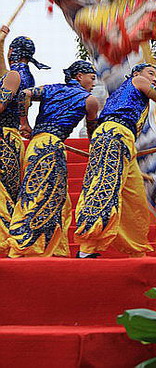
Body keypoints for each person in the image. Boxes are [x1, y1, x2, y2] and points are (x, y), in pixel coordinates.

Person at [74, 62, 156, 258]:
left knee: (136, 198)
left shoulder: (125, 93)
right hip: (115, 135)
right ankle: (87, 248)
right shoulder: (137, 81)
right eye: (151, 73)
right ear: (137, 73)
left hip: (124, 142)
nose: (154, 79)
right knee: (104, 189)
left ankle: (136, 249)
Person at [7, 60, 98, 257]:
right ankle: (28, 246)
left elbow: (25, 93)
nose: (93, 82)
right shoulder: (88, 99)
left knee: (50, 196)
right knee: (44, 196)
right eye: (92, 78)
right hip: (52, 147)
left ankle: (51, 247)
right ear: (79, 76)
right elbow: (93, 132)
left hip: (36, 144)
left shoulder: (52, 89)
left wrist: (25, 124)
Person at [0, 26, 50, 254]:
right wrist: (1, 42)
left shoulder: (14, 75)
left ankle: (7, 238)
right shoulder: (22, 73)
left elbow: (1, 104)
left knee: (4, 190)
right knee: (8, 189)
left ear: (14, 52)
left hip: (4, 137)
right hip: (12, 138)